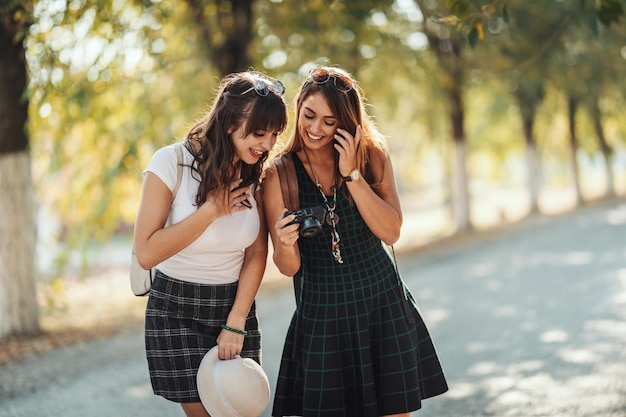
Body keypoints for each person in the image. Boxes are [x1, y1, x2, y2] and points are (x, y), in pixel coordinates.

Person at [263, 66, 448, 417]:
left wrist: (352, 175)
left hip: (381, 304)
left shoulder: (372, 156)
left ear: (346, 124)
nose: (315, 129)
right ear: (298, 107)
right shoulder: (280, 173)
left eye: (329, 121)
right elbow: (288, 267)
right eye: (309, 115)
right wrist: (285, 244)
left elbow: (391, 231)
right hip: (321, 314)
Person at [133, 71, 287, 417]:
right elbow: (146, 252)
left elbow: (256, 253)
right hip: (175, 308)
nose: (267, 145)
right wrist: (212, 210)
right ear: (229, 122)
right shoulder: (171, 162)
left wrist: (236, 320)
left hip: (233, 304)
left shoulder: (257, 174)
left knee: (240, 410)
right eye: (259, 133)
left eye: (275, 134)